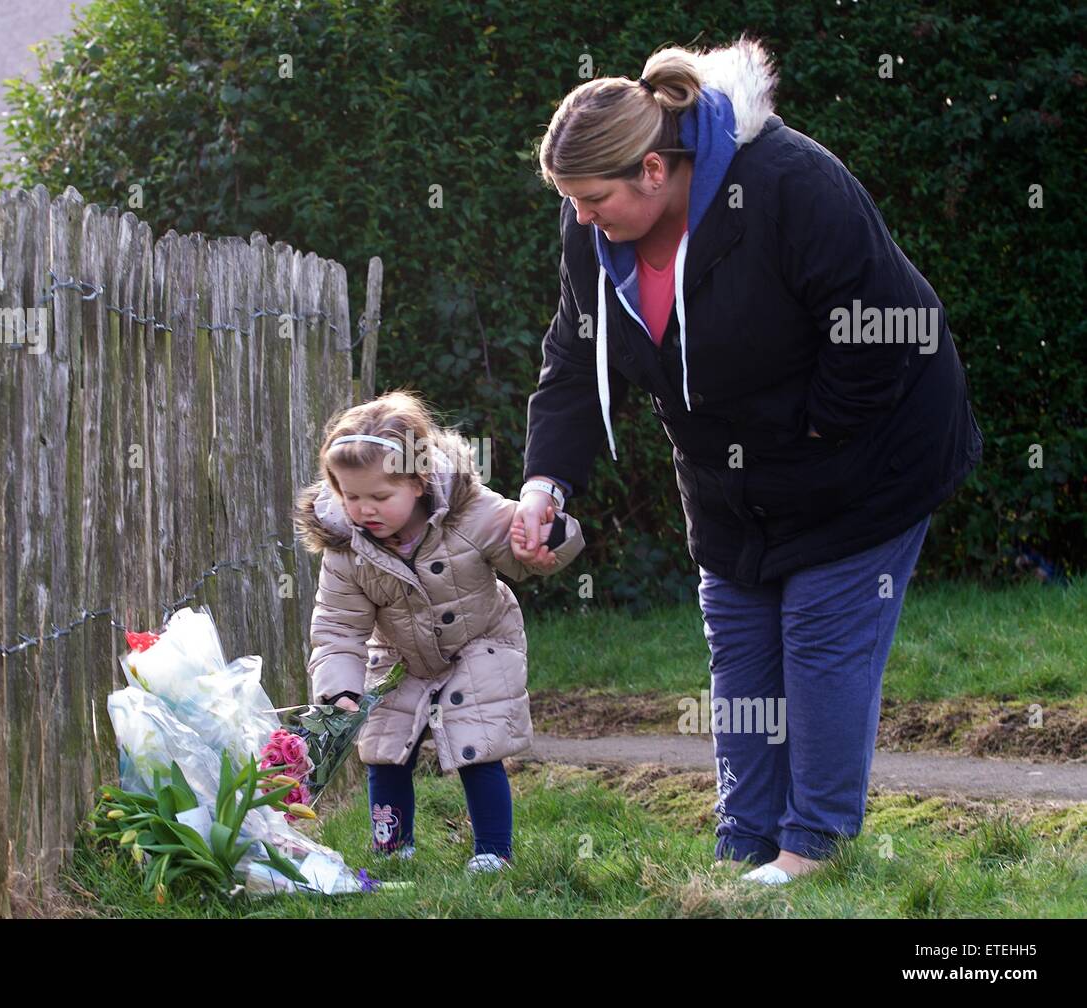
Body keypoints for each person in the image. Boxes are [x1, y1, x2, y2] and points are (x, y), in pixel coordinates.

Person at [513, 37, 983, 884]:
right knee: (741, 653)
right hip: (730, 488)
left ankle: (814, 852)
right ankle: (744, 847)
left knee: (818, 647)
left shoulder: (791, 185)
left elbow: (890, 326)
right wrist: (546, 484)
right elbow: (574, 357)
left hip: (866, 461)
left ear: (655, 170)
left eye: (593, 199)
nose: (582, 218)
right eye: (570, 202)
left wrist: (809, 435)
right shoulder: (593, 228)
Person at [293, 389, 584, 872]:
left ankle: (492, 852)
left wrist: (546, 541)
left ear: (420, 480)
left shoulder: (470, 512)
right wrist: (340, 688)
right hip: (398, 655)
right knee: (385, 750)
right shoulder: (346, 549)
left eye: (380, 496)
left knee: (477, 744)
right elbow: (339, 626)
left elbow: (521, 543)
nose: (364, 509)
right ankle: (392, 847)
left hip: (480, 642)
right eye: (351, 496)